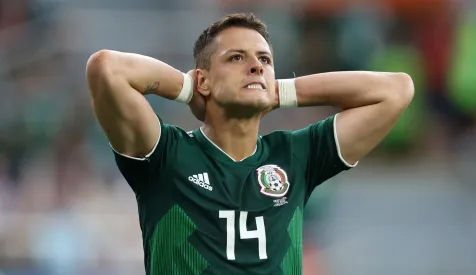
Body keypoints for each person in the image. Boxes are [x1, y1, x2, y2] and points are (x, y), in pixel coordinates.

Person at [86, 13, 413, 275]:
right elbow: (107, 69)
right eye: (236, 58)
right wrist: (189, 89)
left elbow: (396, 90)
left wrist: (280, 90)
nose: (256, 66)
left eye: (265, 60)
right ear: (204, 79)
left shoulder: (295, 155)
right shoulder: (166, 155)